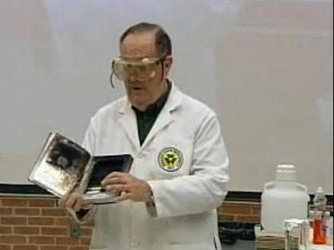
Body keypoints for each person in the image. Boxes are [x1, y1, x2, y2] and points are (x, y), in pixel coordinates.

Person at [60, 22, 230, 250]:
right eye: (125, 68)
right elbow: (87, 190)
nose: (133, 78)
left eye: (143, 67)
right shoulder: (103, 120)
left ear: (166, 65)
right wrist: (80, 202)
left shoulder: (199, 118)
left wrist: (151, 191)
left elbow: (213, 187)